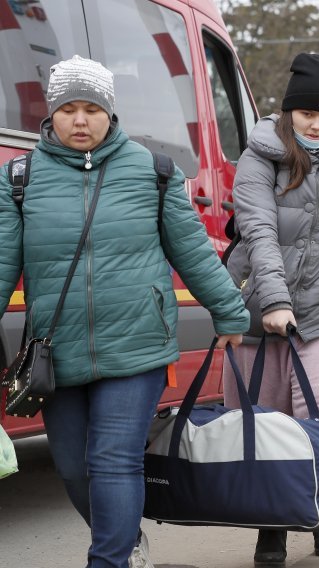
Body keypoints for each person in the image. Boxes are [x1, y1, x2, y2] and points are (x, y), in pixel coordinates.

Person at [0, 55, 250, 568]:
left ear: (109, 113)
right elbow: (3, 260)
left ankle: (108, 561)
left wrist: (229, 312)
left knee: (112, 461)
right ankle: (126, 540)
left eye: (91, 108)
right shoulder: (20, 179)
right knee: (72, 467)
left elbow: (193, 252)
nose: (80, 120)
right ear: (51, 114)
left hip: (136, 344)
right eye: (68, 108)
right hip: (57, 349)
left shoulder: (154, 172)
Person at [223, 53, 319, 568]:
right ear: (288, 113)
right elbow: (259, 231)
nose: (317, 124)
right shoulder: (259, 155)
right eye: (308, 113)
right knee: (264, 416)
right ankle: (272, 524)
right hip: (259, 300)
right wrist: (275, 301)